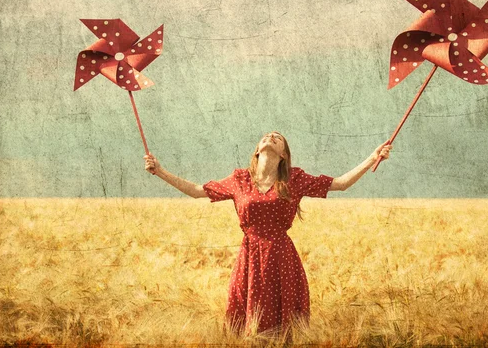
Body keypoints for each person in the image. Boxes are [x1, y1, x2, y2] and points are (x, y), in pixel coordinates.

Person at [144, 132, 392, 340]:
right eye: (267, 136)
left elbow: (340, 183)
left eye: (278, 138)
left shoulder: (294, 178)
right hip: (250, 258)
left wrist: (373, 157)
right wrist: (161, 171)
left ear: (283, 154)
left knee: (284, 330)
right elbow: (198, 191)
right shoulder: (240, 179)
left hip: (281, 257)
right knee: (245, 325)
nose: (271, 136)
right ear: (257, 150)